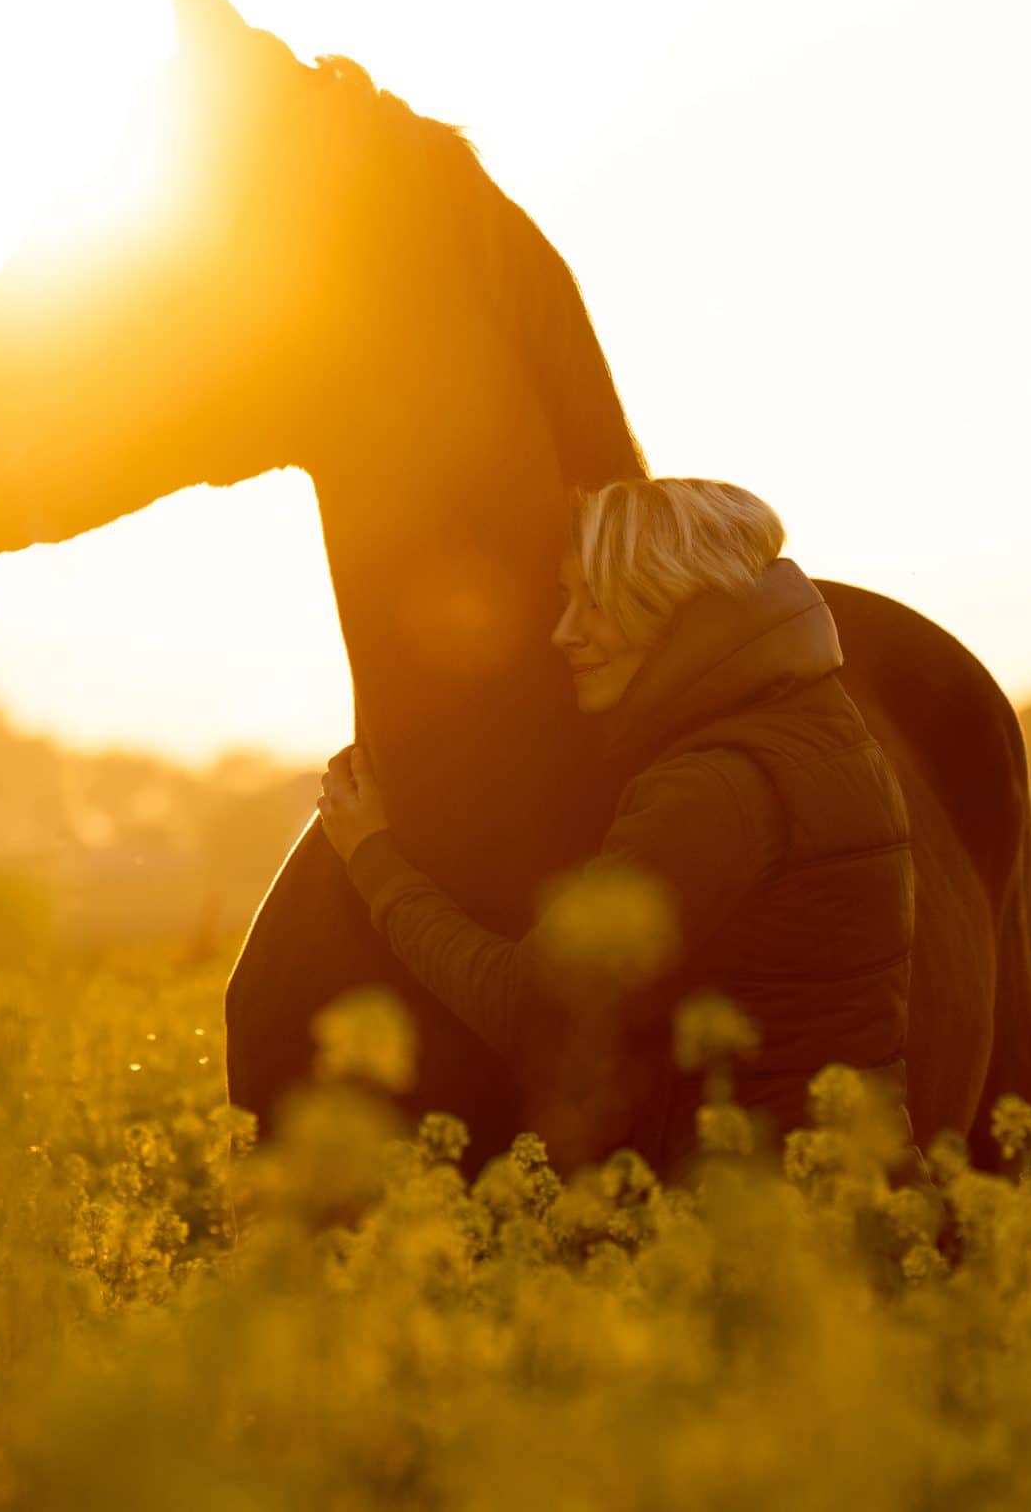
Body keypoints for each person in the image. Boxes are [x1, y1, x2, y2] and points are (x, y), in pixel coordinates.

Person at [315, 477, 917, 1176]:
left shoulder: (714, 787)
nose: (562, 632)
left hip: (750, 1224)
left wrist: (374, 860)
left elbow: (532, 1010)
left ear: (667, 604)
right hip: (859, 1199)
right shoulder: (826, 729)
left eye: (593, 603)